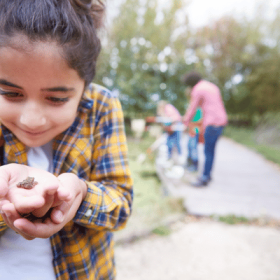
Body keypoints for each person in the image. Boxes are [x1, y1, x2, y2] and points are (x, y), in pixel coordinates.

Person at [0, 1, 133, 279]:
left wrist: (80, 195)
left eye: (57, 99)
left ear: (84, 87)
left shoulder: (102, 107)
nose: (31, 119)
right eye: (11, 94)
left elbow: (121, 203)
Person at [183, 71, 228, 187]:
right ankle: (207, 175)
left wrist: (185, 122)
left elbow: (193, 108)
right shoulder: (211, 86)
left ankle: (204, 178)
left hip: (212, 122)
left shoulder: (197, 89)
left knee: (208, 151)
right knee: (211, 151)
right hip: (221, 120)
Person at [186, 107, 203, 172]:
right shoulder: (194, 108)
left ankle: (195, 166)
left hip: (195, 131)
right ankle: (190, 164)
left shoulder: (198, 109)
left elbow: (198, 120)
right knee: (189, 147)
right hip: (191, 131)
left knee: (193, 149)